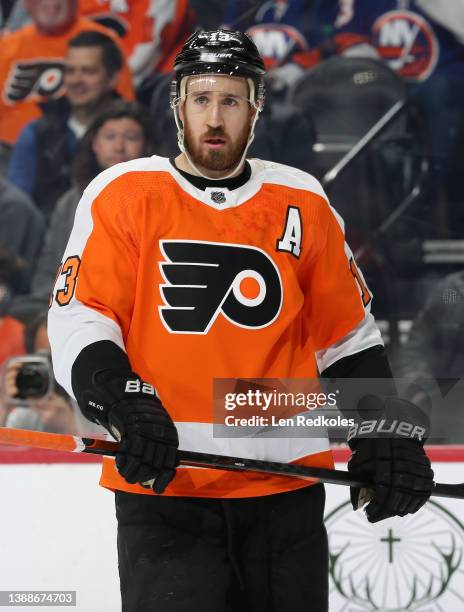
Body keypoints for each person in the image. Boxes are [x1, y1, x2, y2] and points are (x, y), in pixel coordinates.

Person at [48, 29, 434, 612]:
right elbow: (82, 316)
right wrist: (121, 401)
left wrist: (383, 433)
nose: (215, 118)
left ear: (256, 107)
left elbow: (347, 336)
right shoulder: (124, 193)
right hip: (167, 483)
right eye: (201, 99)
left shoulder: (301, 197)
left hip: (287, 489)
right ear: (178, 105)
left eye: (231, 100)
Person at [30, 100, 153, 298]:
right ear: (95, 144)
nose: (119, 147)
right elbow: (49, 270)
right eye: (110, 137)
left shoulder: (160, 200)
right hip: (72, 305)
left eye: (130, 137)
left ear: (146, 146)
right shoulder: (70, 201)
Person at [0, 0, 134, 171]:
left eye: (87, 71)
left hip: (81, 153)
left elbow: (125, 113)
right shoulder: (6, 47)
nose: (50, 3)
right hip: (6, 155)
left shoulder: (102, 42)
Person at [7, 30, 125, 218]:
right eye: (70, 71)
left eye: (88, 71)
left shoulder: (137, 130)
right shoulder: (36, 132)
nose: (77, 80)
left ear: (112, 78)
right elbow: (16, 207)